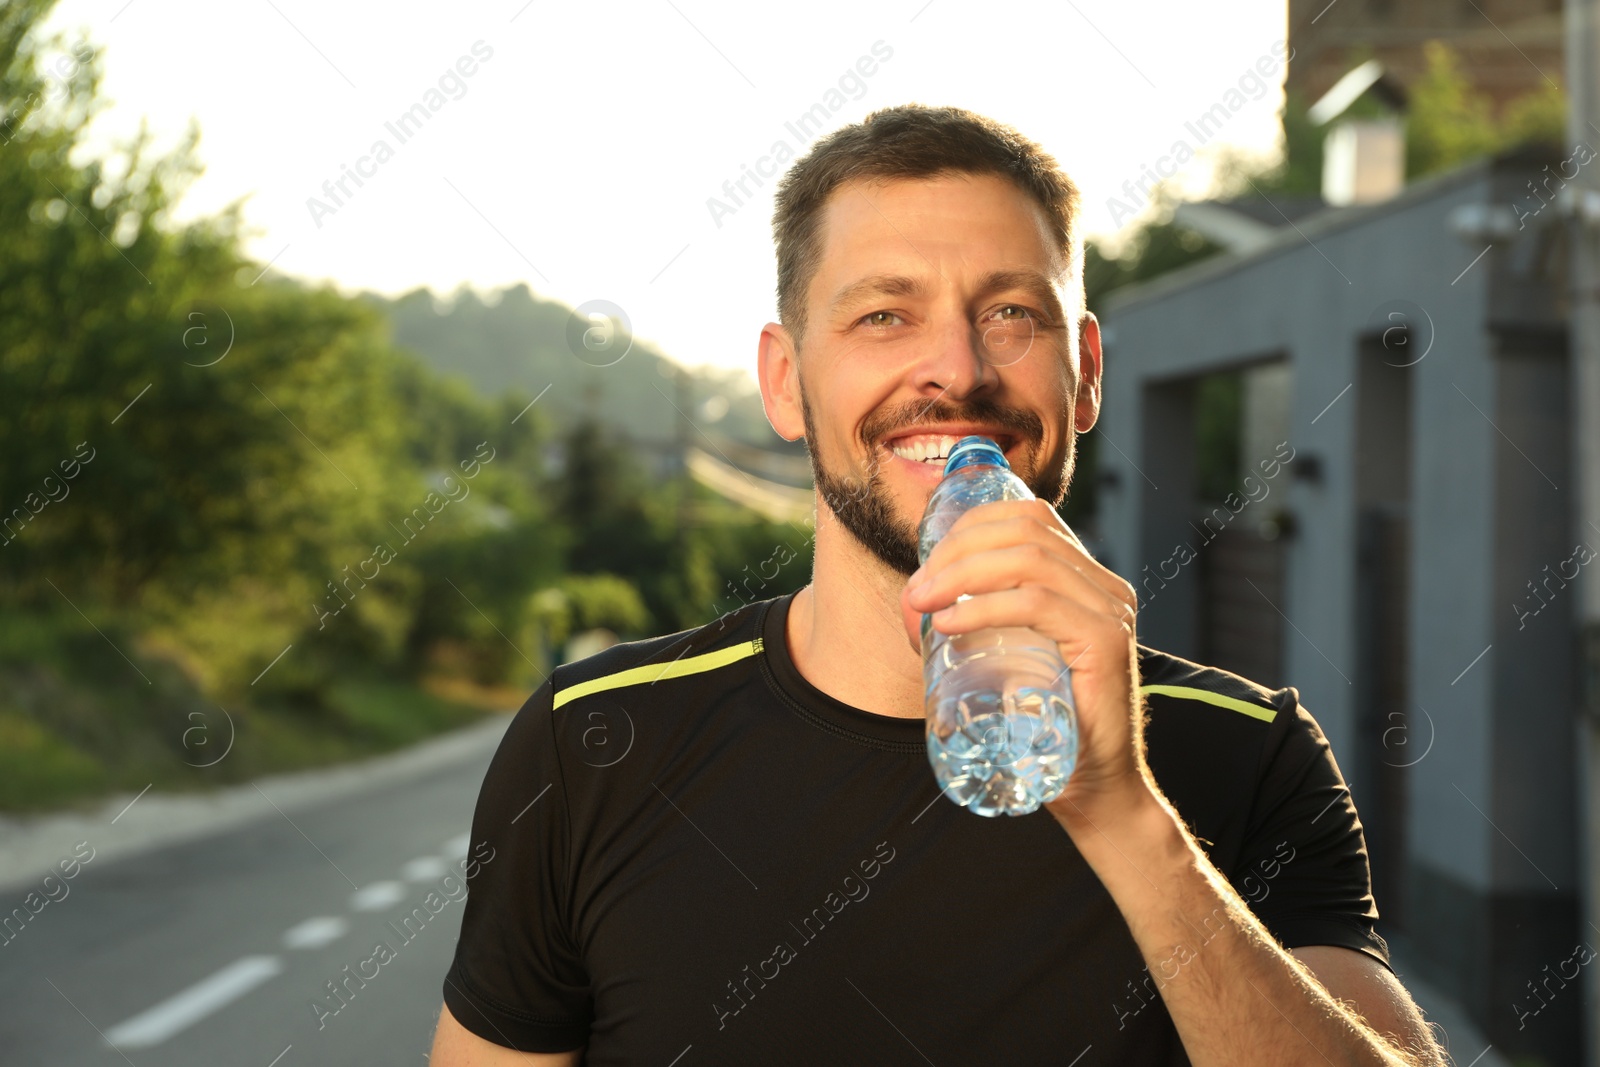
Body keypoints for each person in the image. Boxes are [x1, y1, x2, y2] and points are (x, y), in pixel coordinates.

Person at [429, 104, 1446, 1065]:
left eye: (1010, 312)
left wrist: (1124, 815)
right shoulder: (594, 743)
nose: (954, 370)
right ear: (784, 381)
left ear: (1085, 372)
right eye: (883, 315)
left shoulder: (1247, 750)